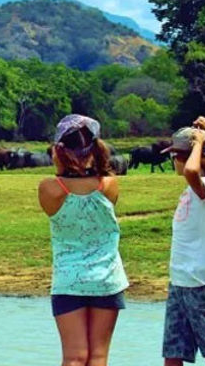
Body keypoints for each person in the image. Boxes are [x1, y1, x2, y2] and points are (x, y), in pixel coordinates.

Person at [38, 114, 129, 366]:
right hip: (107, 278)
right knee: (98, 356)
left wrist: (61, 167)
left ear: (59, 150)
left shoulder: (50, 188)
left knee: (74, 357)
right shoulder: (109, 184)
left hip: (68, 280)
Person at [161, 123, 205, 366]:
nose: (174, 162)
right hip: (179, 280)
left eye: (176, 156)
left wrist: (198, 143)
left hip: (198, 282)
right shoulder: (190, 191)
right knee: (173, 351)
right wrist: (199, 131)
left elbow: (192, 172)